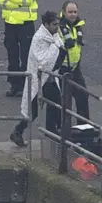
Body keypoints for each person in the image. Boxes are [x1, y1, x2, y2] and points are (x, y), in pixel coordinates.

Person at [10, 11, 65, 147]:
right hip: (40, 79)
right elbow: (43, 60)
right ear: (46, 24)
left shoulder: (54, 35)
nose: (57, 27)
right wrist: (56, 47)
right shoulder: (40, 38)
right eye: (54, 24)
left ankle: (20, 131)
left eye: (58, 24)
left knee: (47, 106)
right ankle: (50, 131)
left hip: (49, 77)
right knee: (52, 104)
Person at [0, 0, 39, 97]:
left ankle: (25, 86)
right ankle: (14, 85)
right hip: (10, 23)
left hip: (25, 24)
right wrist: (16, 0)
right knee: (12, 55)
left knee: (26, 56)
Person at [57, 1, 90, 125]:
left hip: (75, 68)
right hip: (62, 69)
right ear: (64, 12)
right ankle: (63, 130)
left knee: (83, 97)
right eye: (70, 12)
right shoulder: (59, 27)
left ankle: (84, 128)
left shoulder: (77, 26)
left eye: (75, 12)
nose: (73, 15)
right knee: (64, 102)